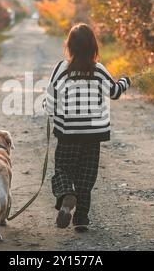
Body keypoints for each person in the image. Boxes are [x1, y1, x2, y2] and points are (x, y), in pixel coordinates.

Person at [43, 23, 131, 232]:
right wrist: (126, 81)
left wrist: (50, 112)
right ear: (93, 47)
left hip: (68, 132)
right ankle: (81, 217)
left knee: (63, 169)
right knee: (86, 175)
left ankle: (67, 195)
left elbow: (51, 99)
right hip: (93, 133)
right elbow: (115, 92)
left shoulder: (61, 69)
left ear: (70, 47)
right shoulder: (98, 70)